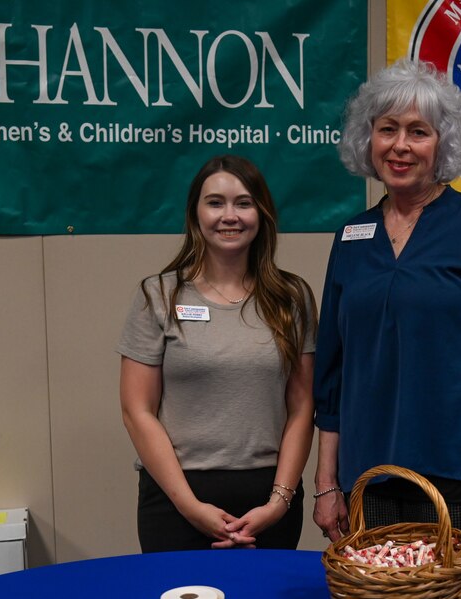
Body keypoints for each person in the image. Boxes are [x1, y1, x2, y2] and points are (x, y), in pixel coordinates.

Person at [312, 59, 461, 577]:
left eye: (418, 132)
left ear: (443, 145)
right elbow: (332, 373)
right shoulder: (351, 237)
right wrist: (327, 482)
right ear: (366, 139)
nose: (400, 145)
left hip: (457, 483)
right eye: (386, 129)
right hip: (367, 483)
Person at [118, 154, 316, 552]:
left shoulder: (291, 298)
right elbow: (136, 410)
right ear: (195, 214)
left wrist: (278, 503)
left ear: (261, 214)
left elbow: (302, 405)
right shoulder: (157, 296)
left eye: (243, 203)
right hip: (176, 501)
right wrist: (190, 507)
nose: (230, 215)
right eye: (215, 203)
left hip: (267, 502)